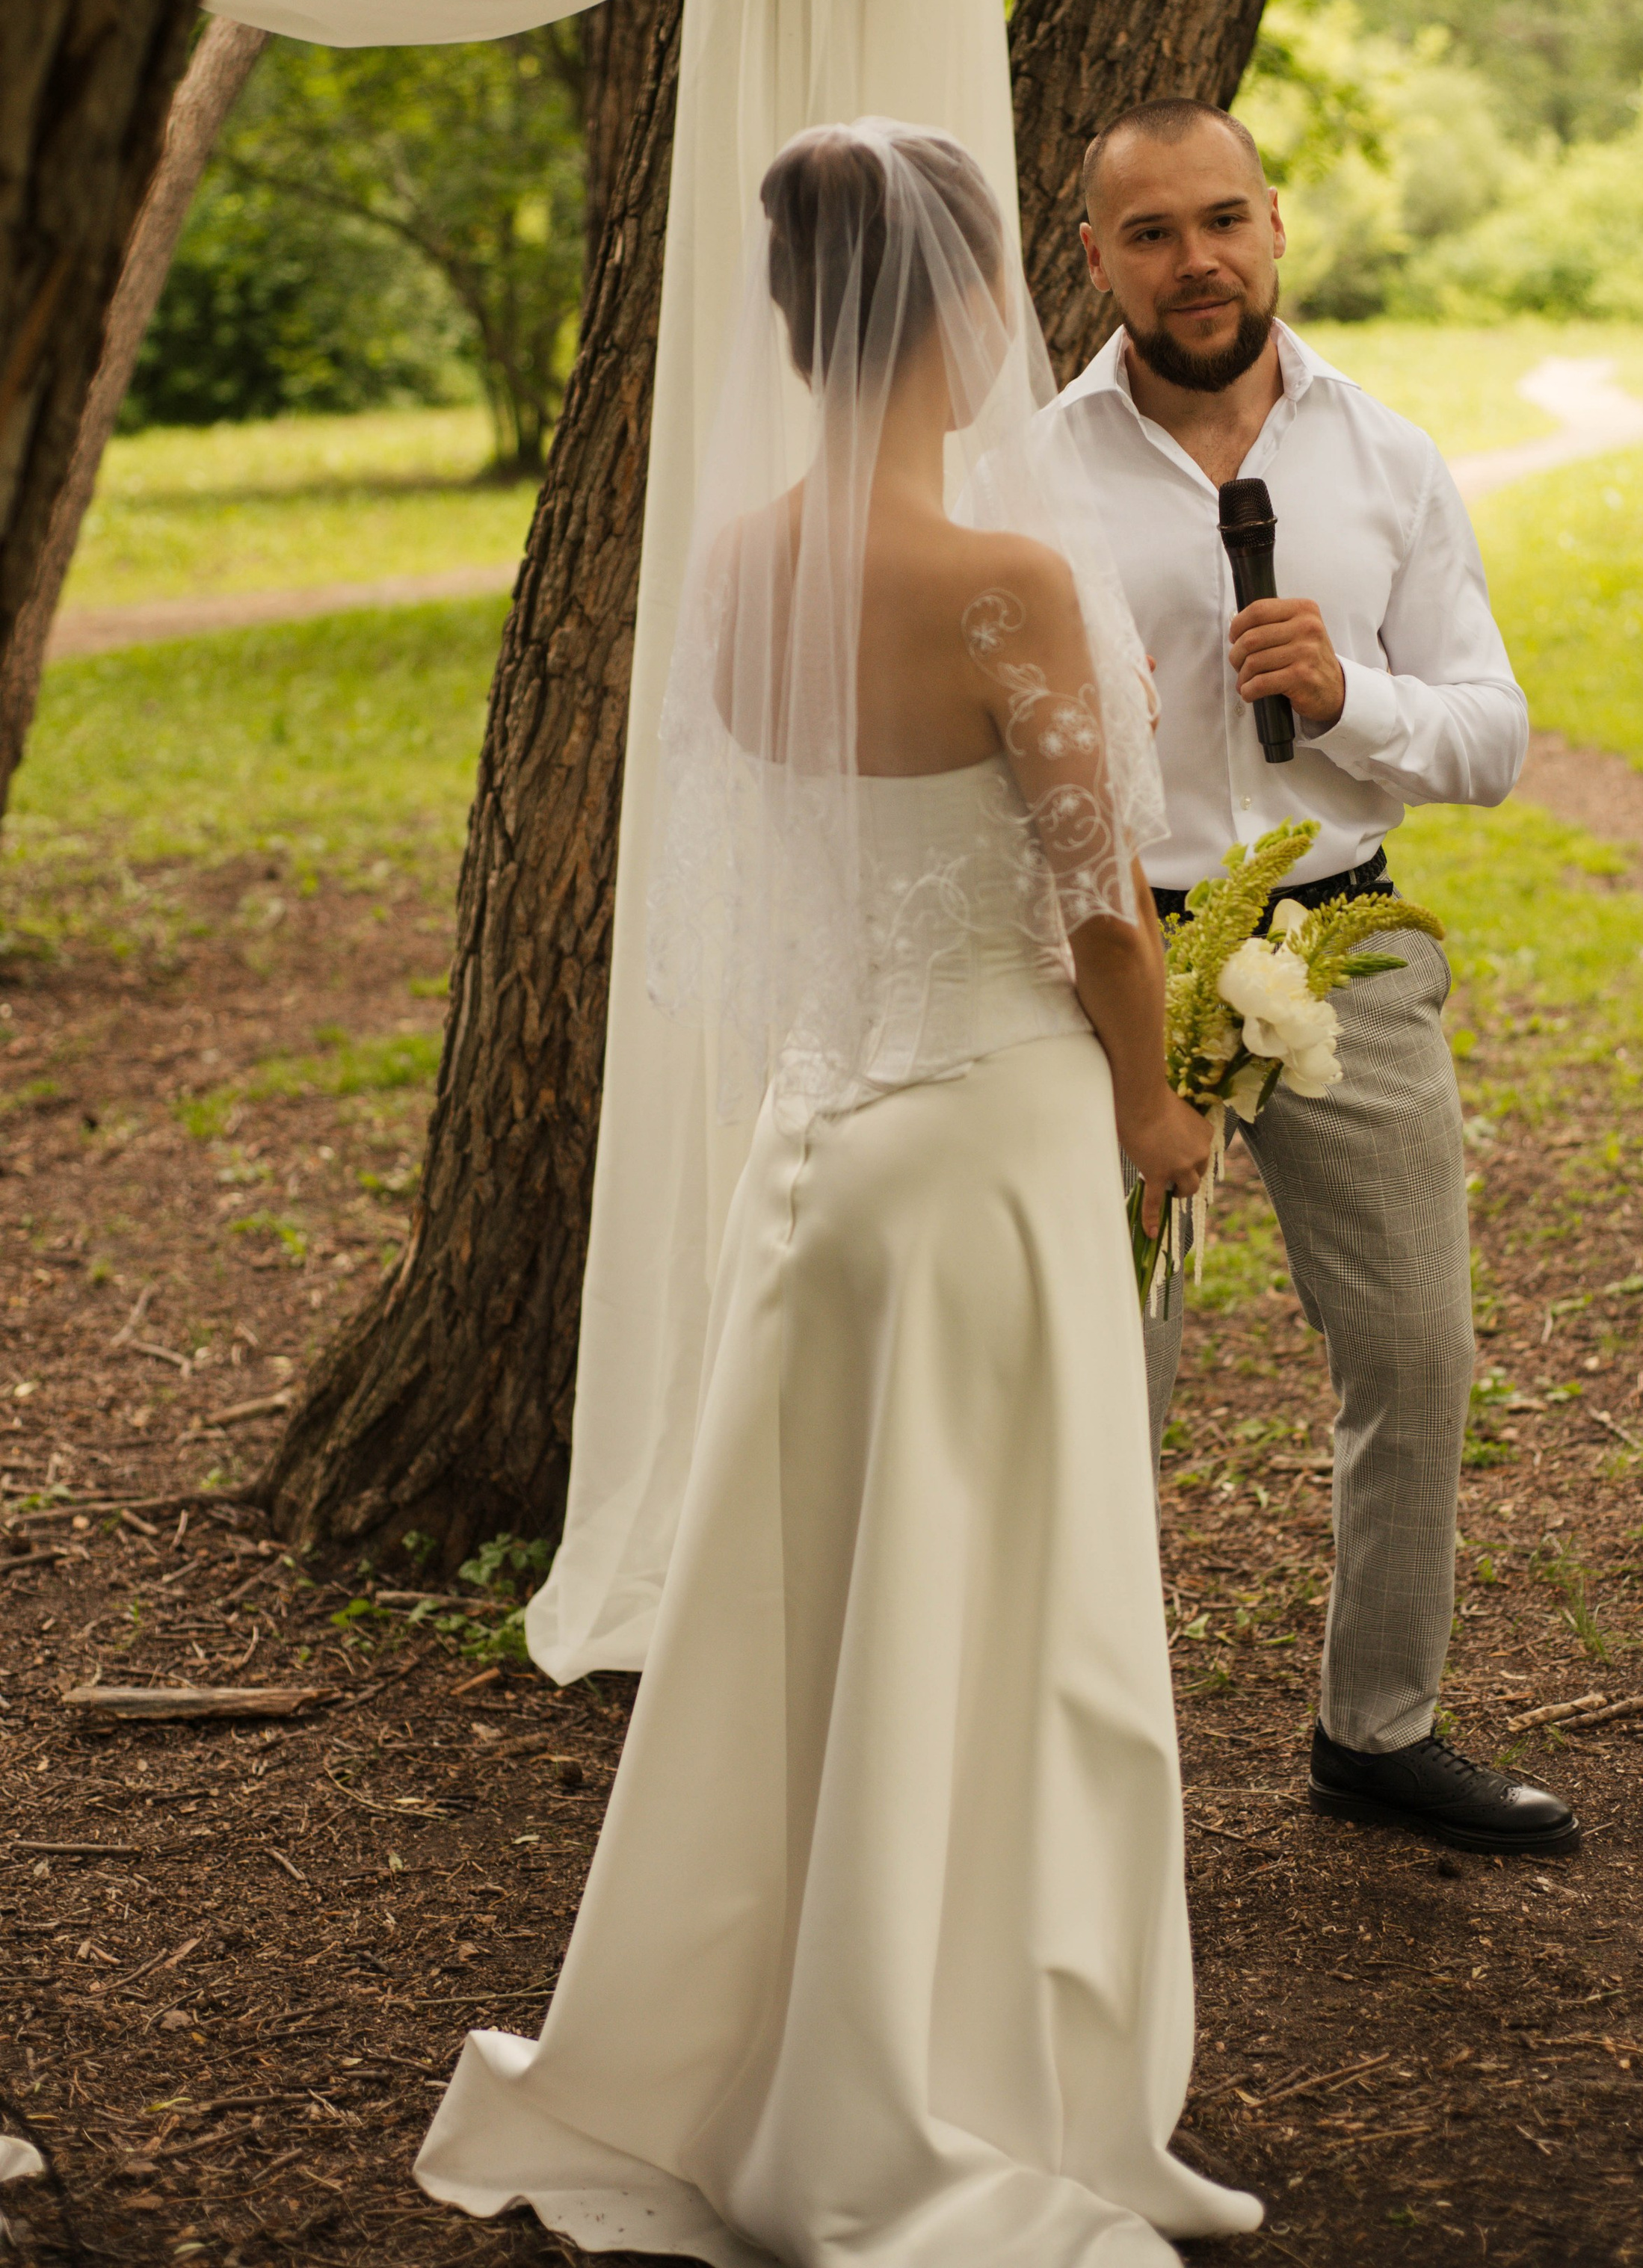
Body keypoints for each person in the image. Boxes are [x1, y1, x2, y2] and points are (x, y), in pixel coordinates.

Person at [415, 120, 1265, 2265]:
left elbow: (809, 864)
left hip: (817, 1151)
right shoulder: (1006, 583)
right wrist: (1159, 1115)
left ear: (796, 316)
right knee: (1020, 1633)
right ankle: (970, 2081)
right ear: (974, 305)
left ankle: (776, 2047)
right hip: (982, 1147)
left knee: (814, 1642)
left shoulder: (739, 568)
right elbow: (1095, 920)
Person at [1053, 95, 1578, 1861]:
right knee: (1104, 1375)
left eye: (1222, 219)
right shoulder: (1031, 472)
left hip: (1344, 949)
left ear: (1273, 228)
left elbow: (1493, 732)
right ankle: (1076, 1766)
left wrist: (1356, 698)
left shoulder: (1384, 455)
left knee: (1414, 1351)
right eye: (1150, 232)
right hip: (1121, 972)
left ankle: (1377, 1729)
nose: (1194, 259)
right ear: (1096, 258)